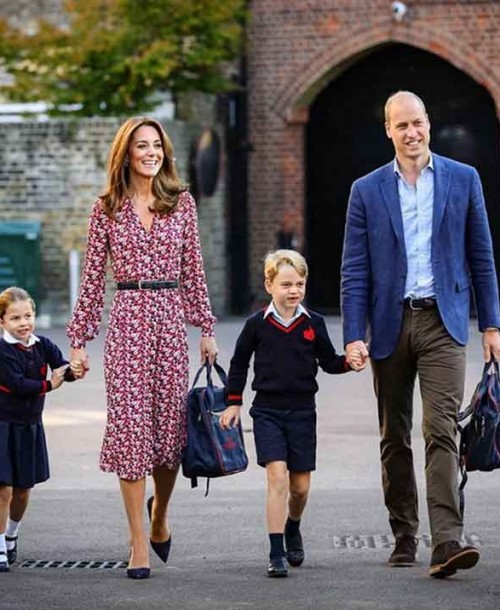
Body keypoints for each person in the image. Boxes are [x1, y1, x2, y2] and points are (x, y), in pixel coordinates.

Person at [341, 90, 500, 578]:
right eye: (402, 125)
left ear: (428, 123)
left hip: (443, 321)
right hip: (389, 325)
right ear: (388, 131)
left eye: (419, 123)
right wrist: (352, 334)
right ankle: (405, 532)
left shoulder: (463, 178)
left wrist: (491, 323)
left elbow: (482, 255)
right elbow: (355, 270)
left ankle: (447, 541)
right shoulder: (366, 190)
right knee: (394, 436)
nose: (412, 133)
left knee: (441, 431)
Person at [66, 117, 218, 580]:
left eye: (156, 145)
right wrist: (78, 340)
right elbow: (92, 280)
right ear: (125, 154)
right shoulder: (106, 209)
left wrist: (206, 327)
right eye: (141, 146)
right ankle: (137, 542)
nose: (150, 152)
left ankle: (159, 516)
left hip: (170, 320)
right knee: (131, 432)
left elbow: (194, 269)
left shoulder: (182, 203)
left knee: (169, 439)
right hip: (128, 321)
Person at [220, 249, 361, 578]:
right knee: (277, 477)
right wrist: (233, 401)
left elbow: (328, 362)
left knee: (300, 488)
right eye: (286, 284)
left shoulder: (314, 323)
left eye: (299, 283)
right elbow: (239, 363)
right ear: (269, 285)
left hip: (302, 412)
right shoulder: (257, 324)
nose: (294, 290)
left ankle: (293, 525)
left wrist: (348, 363)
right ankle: (275, 551)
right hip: (267, 411)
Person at [0, 286, 82, 573]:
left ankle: (11, 535)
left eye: (28, 316)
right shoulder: (2, 351)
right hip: (3, 425)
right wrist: (50, 385)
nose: (23, 323)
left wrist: (74, 369)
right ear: (2, 322)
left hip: (30, 426)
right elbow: (18, 385)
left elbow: (62, 368)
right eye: (15, 318)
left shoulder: (43, 344)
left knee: (23, 489)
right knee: (3, 488)